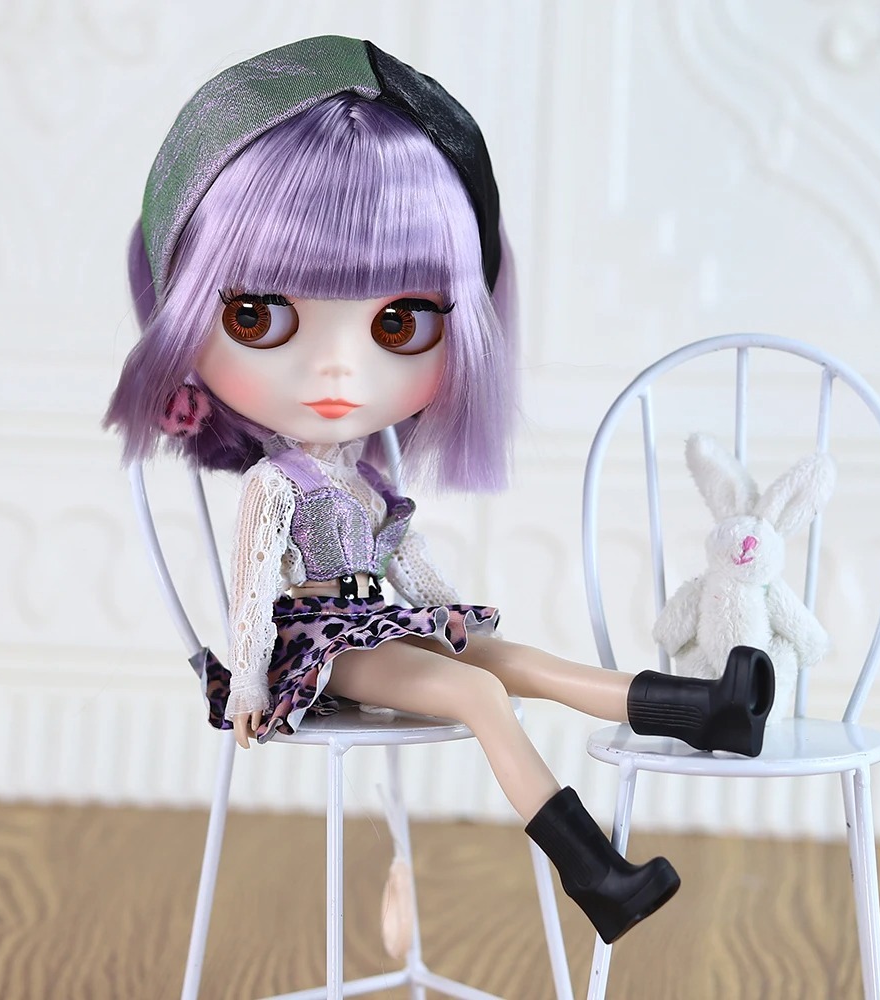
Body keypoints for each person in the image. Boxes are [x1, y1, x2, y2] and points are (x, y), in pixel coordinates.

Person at [106, 35, 774, 945]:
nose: (338, 368)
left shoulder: (362, 477)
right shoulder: (274, 484)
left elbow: (404, 557)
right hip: (314, 651)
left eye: (399, 322)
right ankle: (597, 877)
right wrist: (252, 680)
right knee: (479, 696)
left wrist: (451, 614)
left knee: (511, 661)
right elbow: (253, 594)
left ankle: (703, 712)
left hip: (374, 622)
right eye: (258, 316)